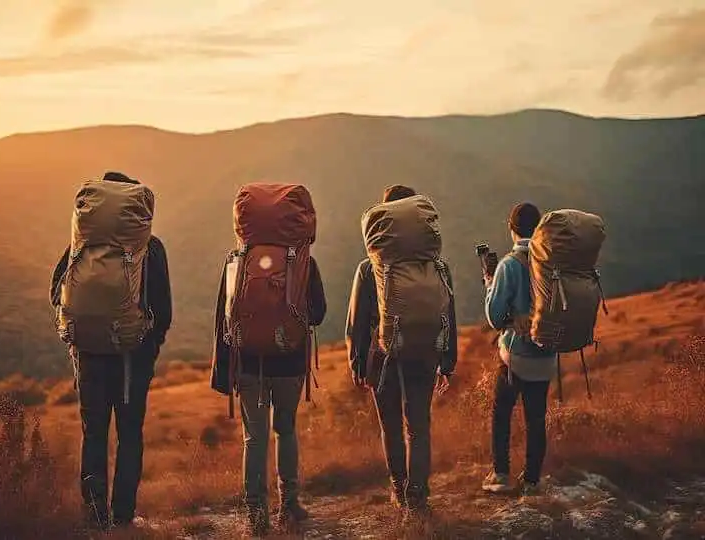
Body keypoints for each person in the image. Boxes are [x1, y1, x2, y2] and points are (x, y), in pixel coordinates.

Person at [49, 171, 173, 529]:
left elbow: (57, 294)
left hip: (87, 356)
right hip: (133, 357)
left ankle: (93, 516)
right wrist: (149, 346)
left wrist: (81, 335)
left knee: (94, 433)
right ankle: (123, 517)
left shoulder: (80, 246)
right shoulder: (150, 247)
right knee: (130, 433)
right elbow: (164, 310)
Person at [345, 184, 458, 522]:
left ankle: (398, 489)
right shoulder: (438, 266)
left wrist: (356, 360)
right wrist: (448, 361)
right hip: (425, 352)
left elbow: (357, 320)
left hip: (383, 357)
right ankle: (419, 495)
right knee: (419, 426)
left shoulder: (370, 268)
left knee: (391, 426)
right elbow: (447, 315)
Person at [210, 233, 327, 536]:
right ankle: (289, 505)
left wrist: (222, 372)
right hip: (289, 363)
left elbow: (223, 317)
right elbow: (319, 312)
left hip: (249, 364)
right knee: (285, 430)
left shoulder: (235, 262)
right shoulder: (303, 262)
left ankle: (256, 513)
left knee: (254, 438)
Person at [481, 202, 556, 496]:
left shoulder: (510, 265)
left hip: (516, 356)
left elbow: (494, 317)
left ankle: (500, 473)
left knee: (501, 411)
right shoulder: (551, 261)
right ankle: (533, 479)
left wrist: (489, 283)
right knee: (536, 417)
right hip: (547, 354)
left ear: (511, 229)